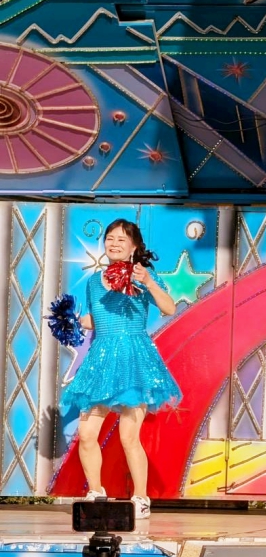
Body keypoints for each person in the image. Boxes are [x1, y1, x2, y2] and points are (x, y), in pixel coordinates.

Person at [60, 219, 181, 520]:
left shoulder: (142, 275)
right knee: (87, 434)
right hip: (101, 361)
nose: (114, 244)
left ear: (134, 246)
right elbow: (97, 319)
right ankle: (96, 492)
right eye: (110, 238)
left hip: (133, 360)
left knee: (129, 435)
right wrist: (71, 322)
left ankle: (141, 497)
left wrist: (148, 282)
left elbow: (169, 308)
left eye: (121, 239)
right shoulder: (93, 281)